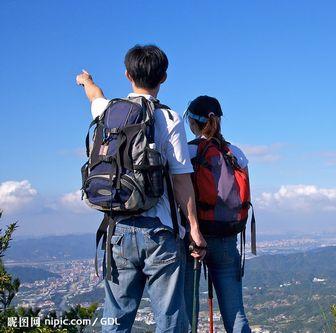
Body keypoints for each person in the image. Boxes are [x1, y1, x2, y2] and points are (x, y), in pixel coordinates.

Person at [76, 45, 206, 333]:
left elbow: (94, 95)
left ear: (127, 75)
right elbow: (181, 179)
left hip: (118, 229)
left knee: (116, 319)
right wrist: (194, 228)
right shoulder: (169, 118)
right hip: (159, 231)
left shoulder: (109, 110)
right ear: (164, 78)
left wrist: (85, 80)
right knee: (170, 319)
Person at [183, 96, 252, 333]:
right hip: (226, 238)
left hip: (192, 241)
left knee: (188, 316)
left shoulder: (187, 152)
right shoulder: (236, 153)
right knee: (236, 315)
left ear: (192, 123)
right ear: (219, 120)